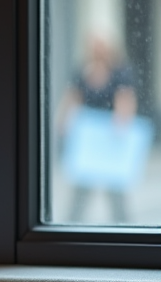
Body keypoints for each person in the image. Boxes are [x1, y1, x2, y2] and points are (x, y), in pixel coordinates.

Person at [58, 33, 140, 222]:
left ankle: (124, 230)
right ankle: (71, 229)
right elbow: (73, 97)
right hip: (89, 139)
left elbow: (125, 99)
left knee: (116, 191)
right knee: (81, 190)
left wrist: (122, 123)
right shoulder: (83, 71)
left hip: (111, 137)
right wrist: (64, 122)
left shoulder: (120, 72)